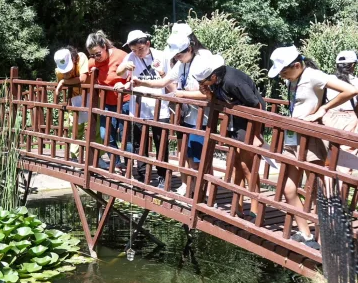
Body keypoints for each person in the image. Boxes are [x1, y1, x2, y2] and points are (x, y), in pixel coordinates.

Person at [268, 46, 358, 249]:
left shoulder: (313, 76)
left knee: (317, 189)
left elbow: (351, 90)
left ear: (297, 65)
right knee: (288, 187)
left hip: (310, 139)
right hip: (293, 138)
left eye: (284, 71)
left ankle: (325, 239)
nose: (282, 75)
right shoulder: (295, 79)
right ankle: (306, 234)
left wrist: (323, 109)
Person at [132, 31, 211, 195]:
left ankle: (206, 196)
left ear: (189, 48)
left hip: (202, 119)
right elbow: (164, 81)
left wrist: (182, 94)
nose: (177, 57)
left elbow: (208, 95)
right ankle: (194, 192)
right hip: (187, 117)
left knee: (200, 161)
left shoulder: (202, 63)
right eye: (175, 55)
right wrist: (141, 82)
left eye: (180, 54)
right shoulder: (182, 64)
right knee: (189, 158)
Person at [191, 54, 264, 219]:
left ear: (214, 76)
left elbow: (256, 104)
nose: (200, 85)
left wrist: (256, 135)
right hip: (235, 121)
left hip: (249, 122)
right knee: (237, 163)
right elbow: (221, 100)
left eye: (202, 82)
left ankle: (256, 209)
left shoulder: (232, 81)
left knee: (247, 166)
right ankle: (238, 205)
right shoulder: (217, 81)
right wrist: (208, 93)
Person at [116, 30, 172, 188]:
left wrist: (162, 73)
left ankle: (163, 177)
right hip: (138, 107)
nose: (137, 53)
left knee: (161, 143)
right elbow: (119, 72)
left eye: (140, 49)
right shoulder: (131, 57)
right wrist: (124, 66)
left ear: (148, 43)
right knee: (138, 143)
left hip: (160, 108)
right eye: (133, 50)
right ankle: (142, 176)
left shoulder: (162, 56)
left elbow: (171, 78)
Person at [86, 30, 130, 169]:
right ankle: (116, 164)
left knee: (125, 136)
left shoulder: (121, 56)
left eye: (98, 53)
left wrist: (124, 84)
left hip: (125, 101)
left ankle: (129, 167)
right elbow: (88, 73)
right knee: (106, 135)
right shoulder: (93, 62)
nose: (95, 57)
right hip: (107, 102)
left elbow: (132, 74)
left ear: (104, 46)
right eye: (92, 55)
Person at [54, 47, 90, 160]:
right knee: (74, 128)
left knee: (93, 127)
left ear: (73, 58)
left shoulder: (81, 57)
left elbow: (83, 78)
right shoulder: (58, 71)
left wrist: (64, 81)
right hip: (74, 98)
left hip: (89, 95)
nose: (67, 72)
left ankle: (95, 158)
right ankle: (76, 157)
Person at [322, 51, 358, 138]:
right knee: (347, 149)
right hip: (349, 119)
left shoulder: (328, 79)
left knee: (329, 147)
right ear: (353, 65)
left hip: (329, 116)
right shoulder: (356, 82)